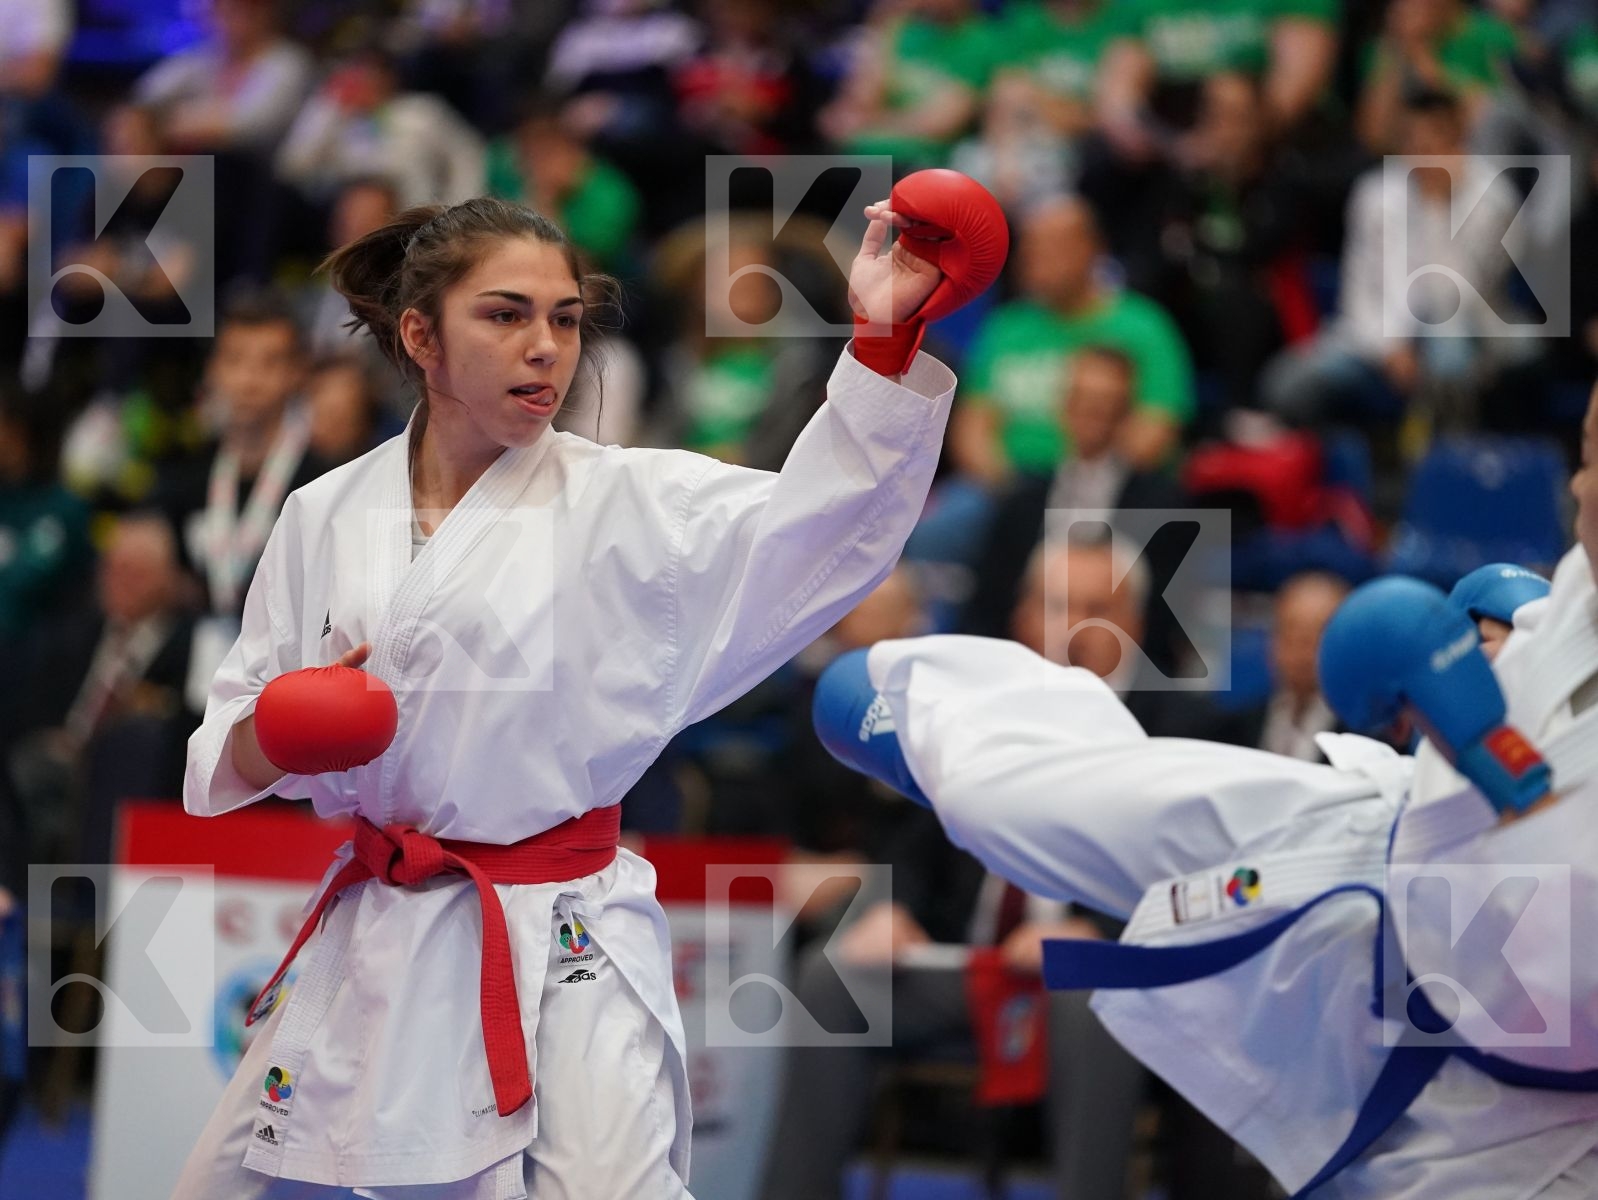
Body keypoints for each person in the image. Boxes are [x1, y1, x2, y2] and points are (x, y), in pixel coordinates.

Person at [172, 178, 1006, 1199]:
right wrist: (280, 733)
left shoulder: (628, 502)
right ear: (421, 337)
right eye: (506, 316)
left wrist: (881, 337)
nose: (546, 348)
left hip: (557, 933)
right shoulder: (323, 512)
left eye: (565, 320)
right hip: (378, 923)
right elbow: (227, 742)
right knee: (222, 1184)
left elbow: (817, 528)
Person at [812, 384, 1598, 1197]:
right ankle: (926, 727)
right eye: (1579, 451)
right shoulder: (1575, 591)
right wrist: (1513, 667)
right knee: (1007, 792)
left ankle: (933, 732)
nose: (1576, 482)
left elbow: (1560, 961)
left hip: (1478, 1018)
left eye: (1591, 457)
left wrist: (1490, 749)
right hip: (1376, 852)